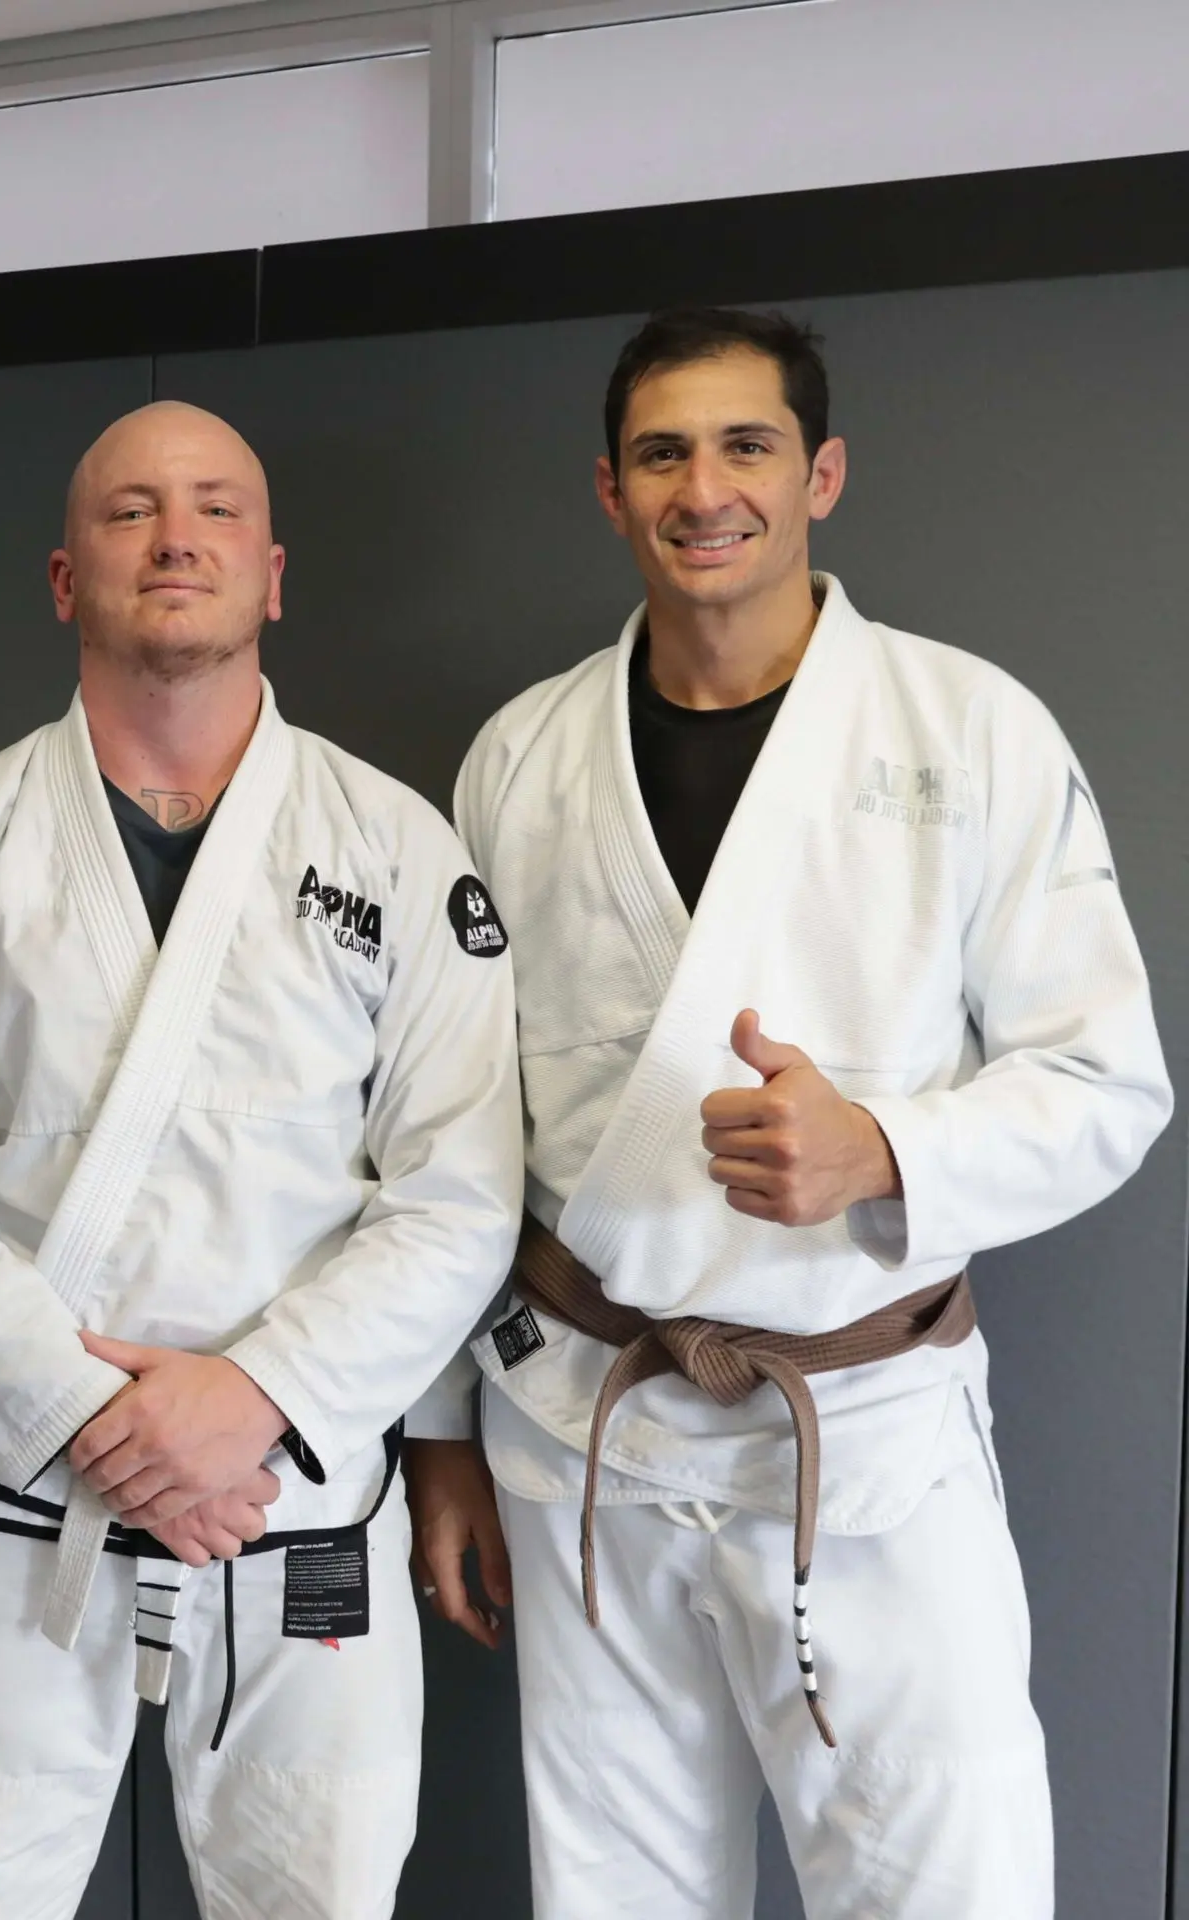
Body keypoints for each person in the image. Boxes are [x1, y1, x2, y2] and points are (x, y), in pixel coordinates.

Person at [408, 309, 1173, 1920]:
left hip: (871, 1426)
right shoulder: (522, 760)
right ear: (609, 491)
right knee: (611, 1896)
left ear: (821, 473)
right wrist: (440, 1442)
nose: (706, 488)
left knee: (939, 1887)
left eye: (747, 445)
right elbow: (448, 1134)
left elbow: (1107, 1081)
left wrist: (886, 1153)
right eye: (662, 452)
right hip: (583, 1426)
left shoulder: (971, 731)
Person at [0, 400, 523, 1919]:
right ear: (66, 578)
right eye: (131, 510)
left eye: (213, 508)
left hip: (295, 1502)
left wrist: (253, 1399)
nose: (176, 535)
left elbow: (458, 1197)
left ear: (272, 575)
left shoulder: (398, 848)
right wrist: (100, 1418)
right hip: (15, 1499)